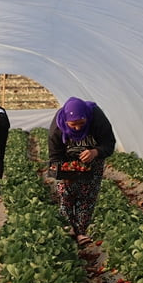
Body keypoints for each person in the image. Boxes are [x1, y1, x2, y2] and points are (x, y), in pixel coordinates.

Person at [47, 96, 116, 244]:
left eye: (81, 123)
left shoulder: (97, 118)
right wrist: (64, 172)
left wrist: (95, 152)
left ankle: (81, 232)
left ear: (87, 118)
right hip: (67, 160)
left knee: (88, 196)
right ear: (66, 121)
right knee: (66, 194)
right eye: (73, 125)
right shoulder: (57, 129)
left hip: (93, 160)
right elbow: (54, 155)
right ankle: (68, 229)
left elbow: (109, 144)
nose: (78, 128)